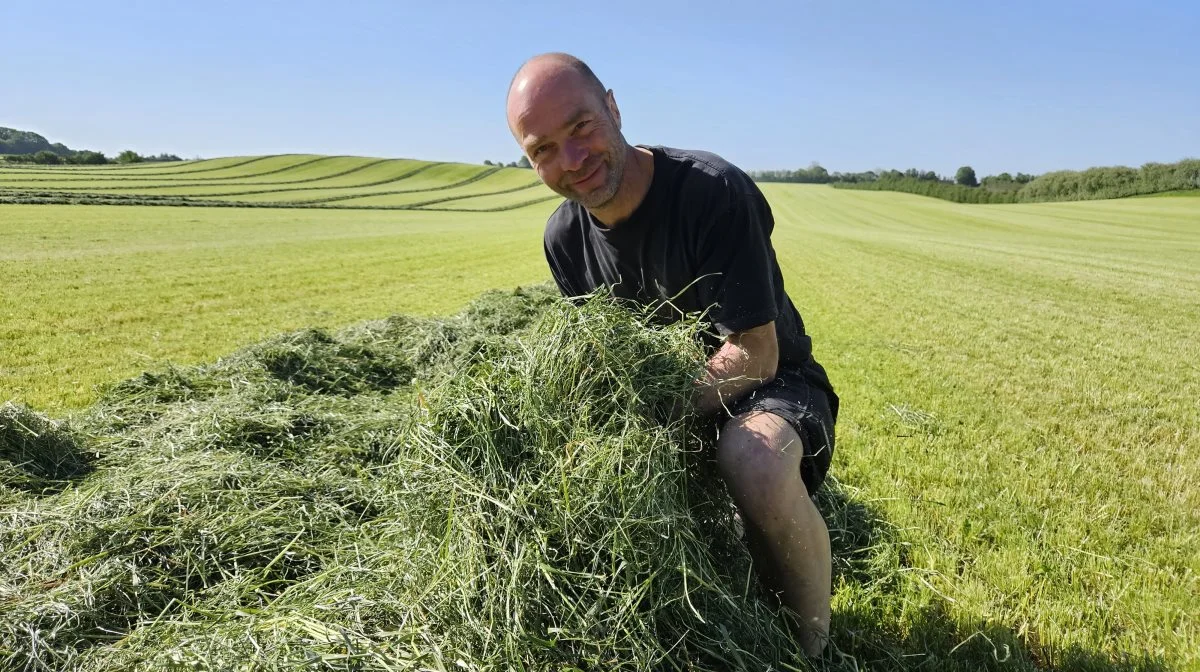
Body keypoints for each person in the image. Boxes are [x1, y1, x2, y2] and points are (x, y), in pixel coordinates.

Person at [505, 52, 839, 657]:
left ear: (612, 106)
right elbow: (607, 355)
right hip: (670, 405)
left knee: (752, 459)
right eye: (544, 150)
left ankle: (814, 648)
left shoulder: (710, 190)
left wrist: (649, 418)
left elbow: (755, 354)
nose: (571, 161)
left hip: (775, 387)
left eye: (580, 127)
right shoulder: (564, 240)